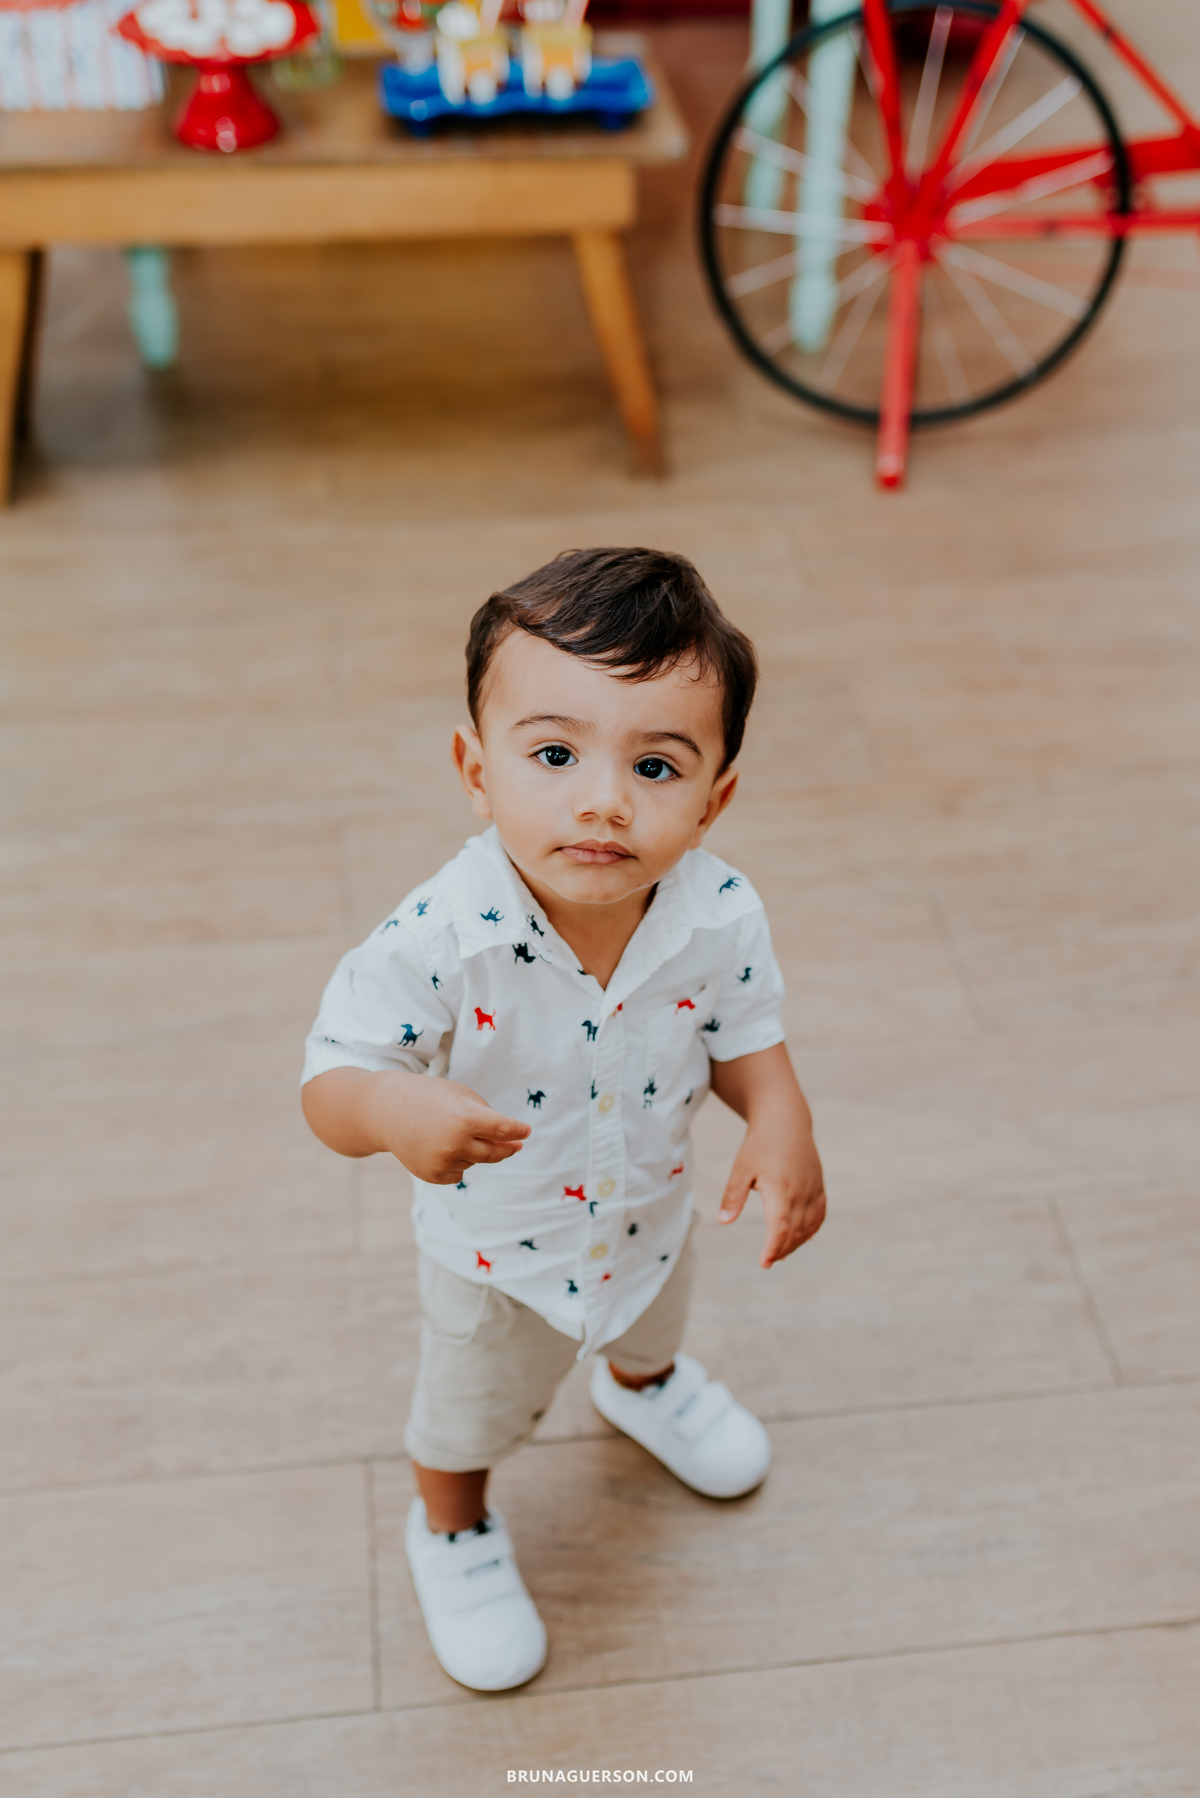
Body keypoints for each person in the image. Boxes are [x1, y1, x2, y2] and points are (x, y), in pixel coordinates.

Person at [301, 547, 827, 1692]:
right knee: (466, 1412)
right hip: (500, 1258)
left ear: (715, 796)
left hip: (649, 1212)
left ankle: (645, 1388)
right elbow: (330, 1081)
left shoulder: (719, 912)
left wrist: (779, 1117)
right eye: (553, 753)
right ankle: (452, 1530)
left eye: (655, 765)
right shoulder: (440, 937)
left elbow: (746, 1037)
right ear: (475, 768)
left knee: (651, 1321)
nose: (602, 798)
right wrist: (392, 1106)